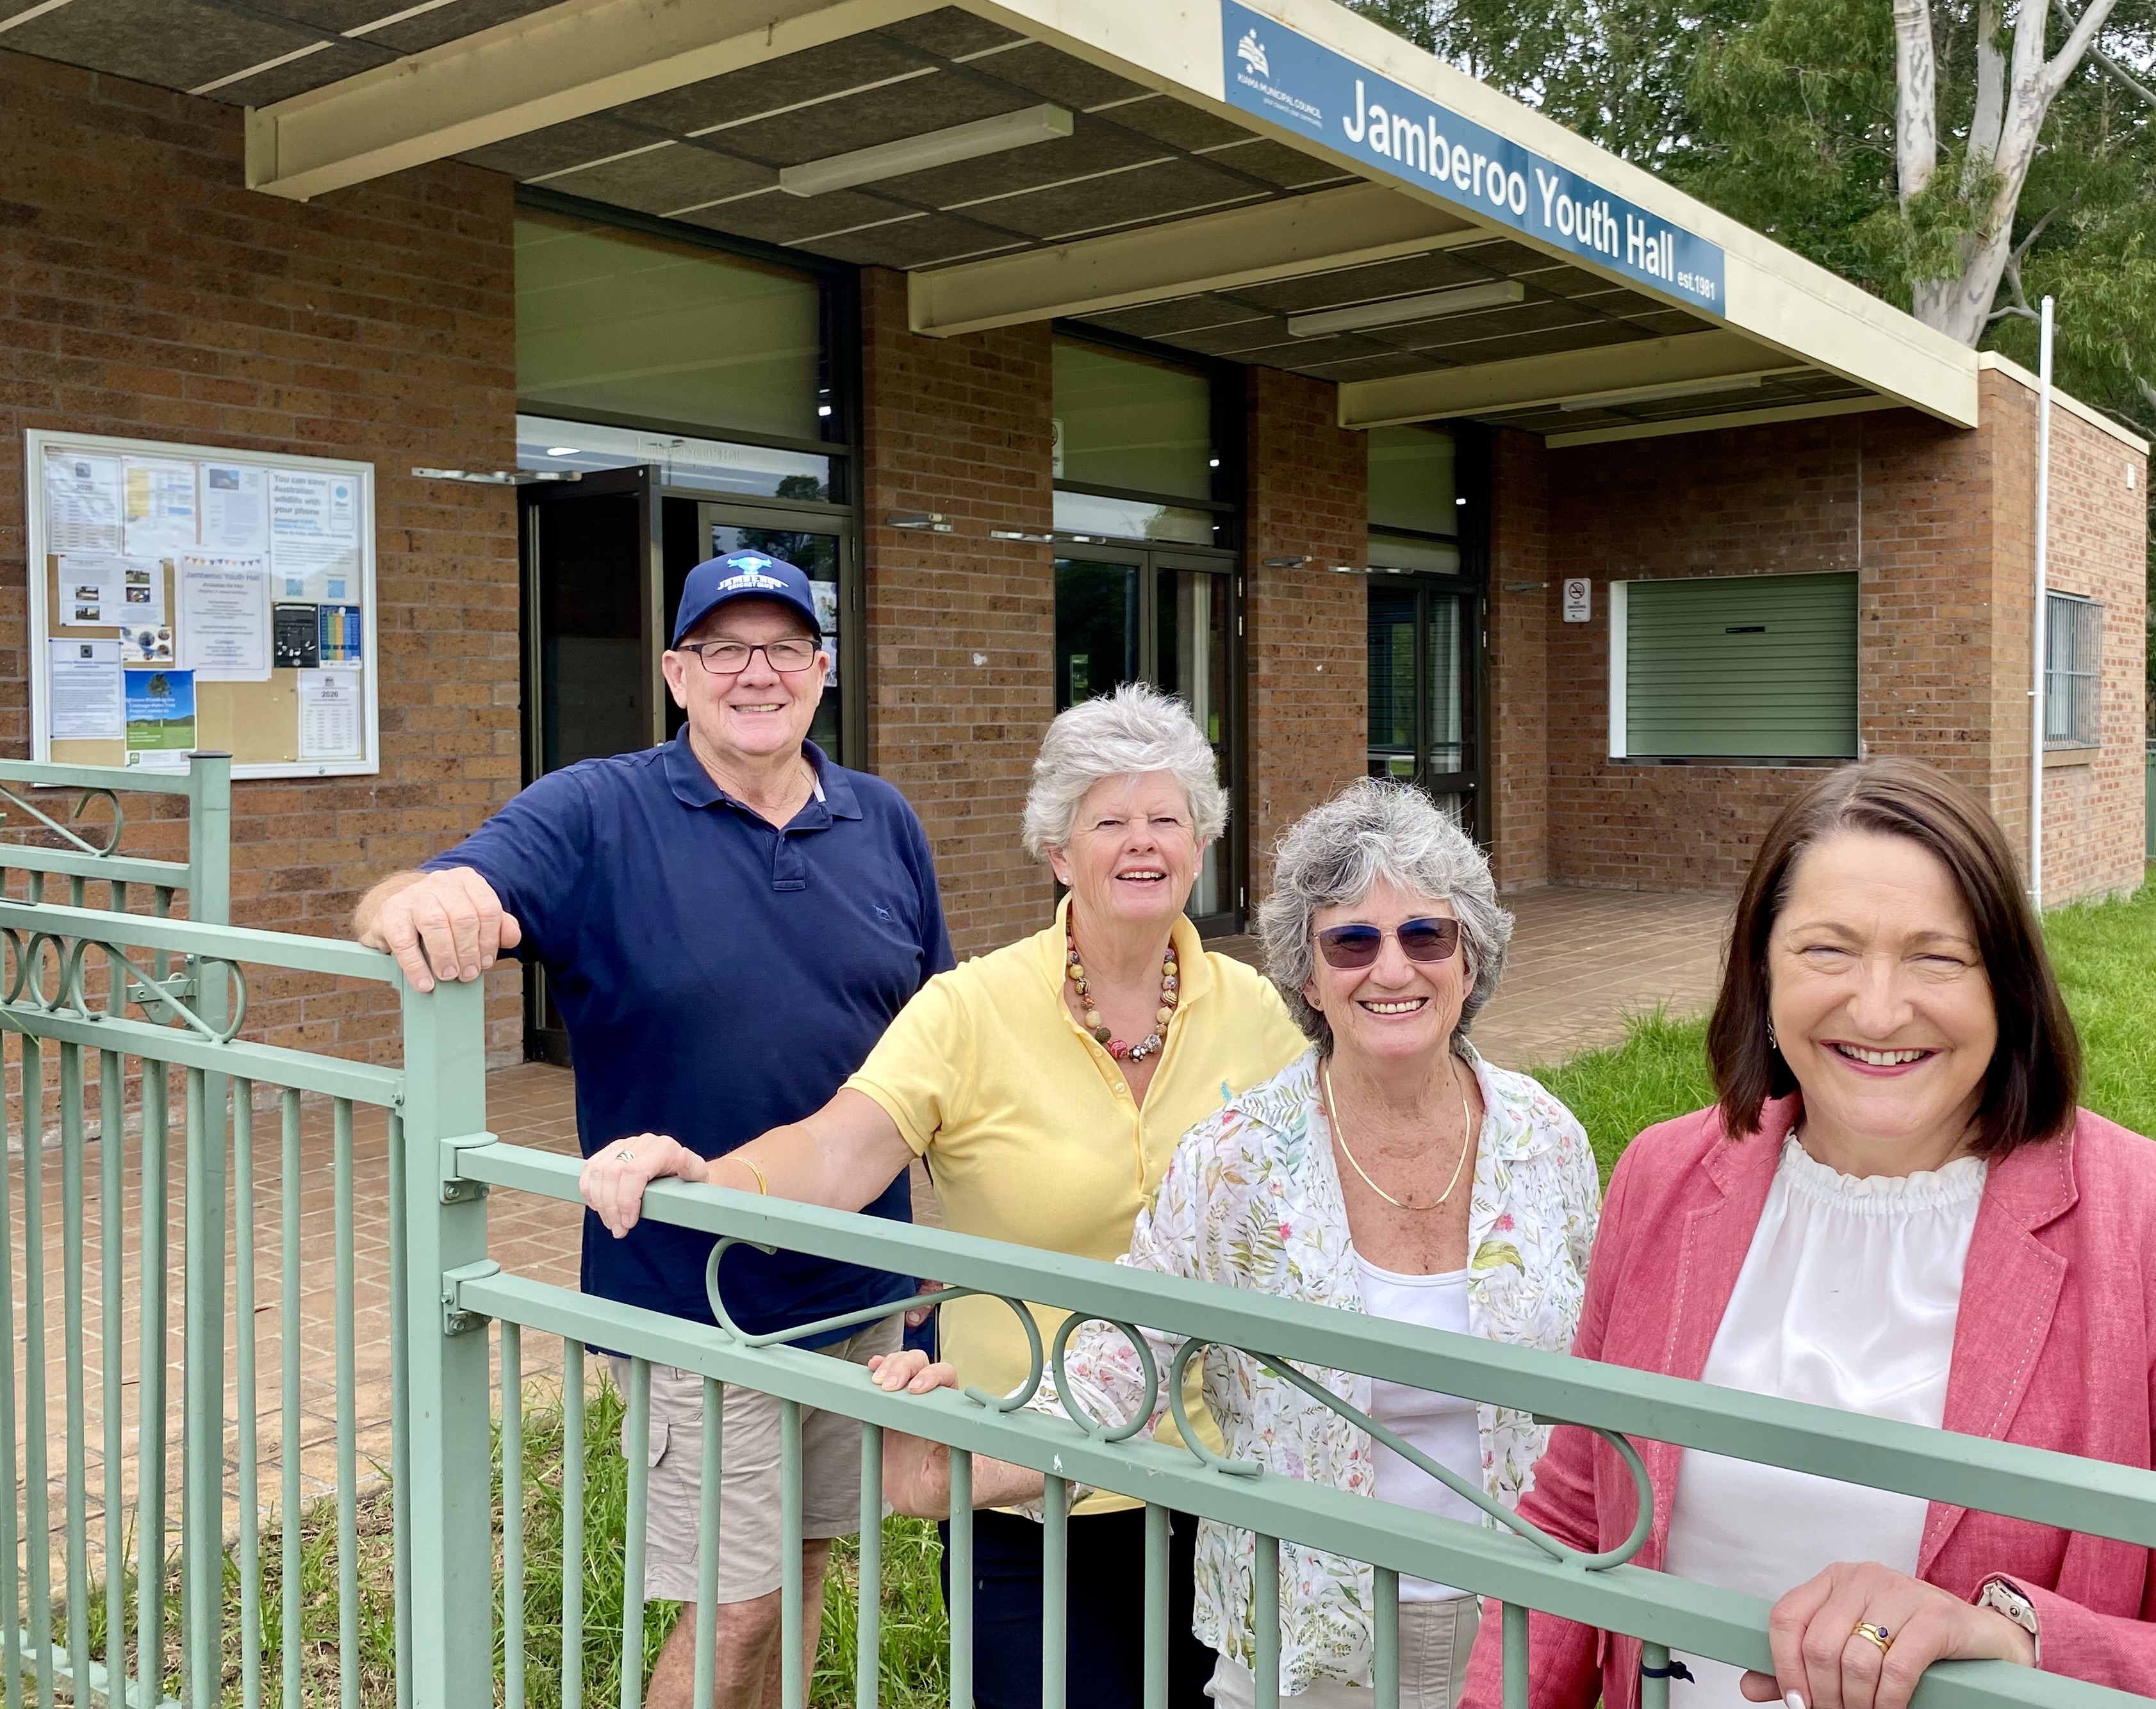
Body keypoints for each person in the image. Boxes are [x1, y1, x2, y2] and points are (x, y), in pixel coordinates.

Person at [1460, 758, 2156, 1709]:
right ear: (1762, 971)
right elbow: (1580, 1513)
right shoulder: (1663, 1177)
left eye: (1936, 956)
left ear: (2009, 987)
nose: (1876, 1009)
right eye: (1827, 951)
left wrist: (2017, 1641)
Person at [579, 683, 1309, 1709]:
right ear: (1059, 851)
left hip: (1223, 1480)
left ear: (1201, 843)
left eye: (1167, 818)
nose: (1141, 844)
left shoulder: (1260, 1016)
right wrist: (714, 1179)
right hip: (1026, 1484)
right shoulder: (971, 1008)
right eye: (1110, 821)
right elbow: (841, 1148)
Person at [354, 550, 949, 1709]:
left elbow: (939, 1051)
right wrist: (418, 902)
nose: (756, 673)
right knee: (735, 1606)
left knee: (807, 1558)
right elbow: (414, 896)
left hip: (865, 1287)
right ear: (678, 674)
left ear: (822, 671)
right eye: (725, 649)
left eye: (784, 647)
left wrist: (935, 1264)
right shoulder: (596, 812)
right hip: (695, 1295)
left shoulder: (883, 820)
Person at [866, 778, 1602, 1709]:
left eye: (1427, 935)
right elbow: (1125, 1360)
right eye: (1352, 941)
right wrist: (970, 1445)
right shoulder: (1240, 1156)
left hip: (1521, 1612)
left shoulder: (1545, 1138)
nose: (1392, 969)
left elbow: (1604, 1366)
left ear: (1471, 958)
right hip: (1305, 1630)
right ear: (1307, 974)